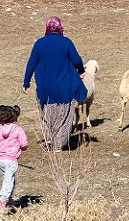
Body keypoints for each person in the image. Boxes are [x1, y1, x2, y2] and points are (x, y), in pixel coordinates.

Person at [23, 16, 87, 151]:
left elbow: (31, 63)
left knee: (46, 111)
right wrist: (81, 70)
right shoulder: (66, 42)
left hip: (45, 86)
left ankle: (49, 137)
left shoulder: (39, 43)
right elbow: (76, 60)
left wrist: (26, 82)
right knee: (65, 113)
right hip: (65, 85)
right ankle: (59, 143)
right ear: (60, 27)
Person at [0, 105, 29, 213]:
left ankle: (9, 199)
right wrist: (23, 148)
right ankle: (2, 199)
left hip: (1, 159)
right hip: (11, 159)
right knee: (9, 179)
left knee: (9, 178)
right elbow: (24, 143)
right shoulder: (18, 129)